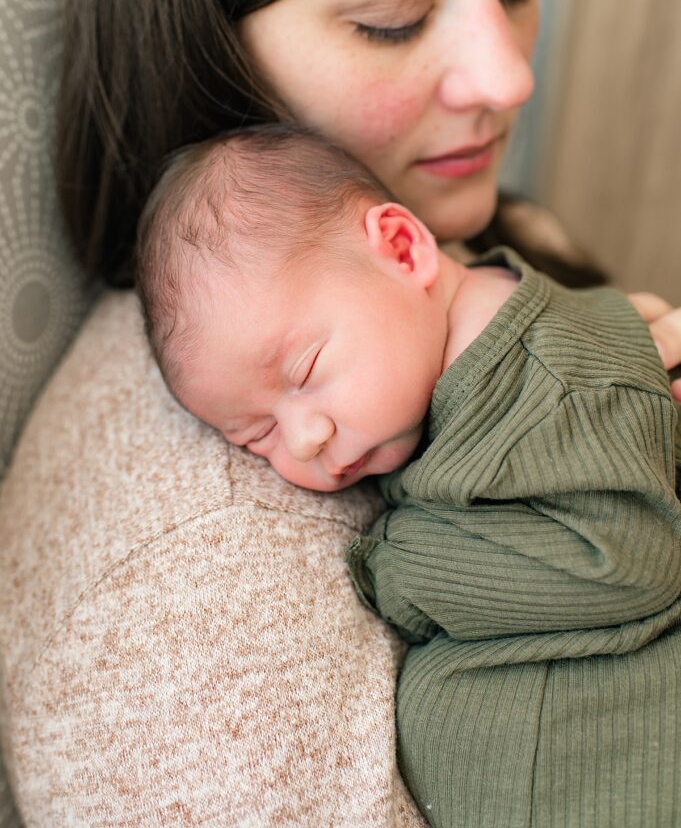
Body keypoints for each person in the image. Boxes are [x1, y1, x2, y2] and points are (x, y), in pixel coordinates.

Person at [2, 0, 681, 824]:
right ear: (205, 26)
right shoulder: (181, 600)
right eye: (394, 13)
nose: (511, 77)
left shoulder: (490, 250)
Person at [136, 124, 681, 827]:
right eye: (255, 434)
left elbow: (621, 560)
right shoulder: (448, 371)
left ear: (401, 249)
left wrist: (396, 565)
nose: (305, 437)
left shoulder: (550, 376)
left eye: (303, 372)